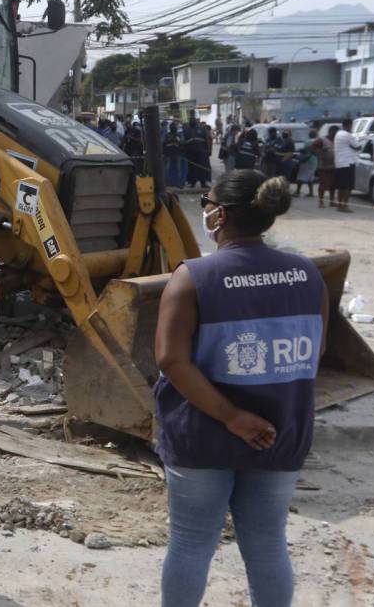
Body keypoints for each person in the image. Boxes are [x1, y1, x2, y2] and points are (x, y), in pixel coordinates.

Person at [154, 170, 327, 607]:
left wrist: (232, 417)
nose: (205, 212)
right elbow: (313, 351)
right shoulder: (307, 274)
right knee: (268, 542)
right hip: (278, 432)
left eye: (206, 204)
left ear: (220, 215)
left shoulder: (193, 277)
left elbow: (171, 360)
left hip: (203, 436)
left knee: (192, 542)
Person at [332, 118, 363, 213]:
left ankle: (340, 204)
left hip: (339, 163)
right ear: (349, 125)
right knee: (347, 187)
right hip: (347, 163)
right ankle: (345, 205)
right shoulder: (347, 135)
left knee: (341, 186)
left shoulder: (338, 134)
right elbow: (358, 146)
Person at [314, 126, 338, 208]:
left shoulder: (336, 140)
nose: (335, 135)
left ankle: (331, 201)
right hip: (323, 166)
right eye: (334, 133)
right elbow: (312, 148)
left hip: (334, 166)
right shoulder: (322, 140)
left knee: (333, 184)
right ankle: (321, 202)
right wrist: (320, 154)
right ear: (330, 132)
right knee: (323, 184)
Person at [184, 119, 210, 188]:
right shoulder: (186, 130)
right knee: (192, 168)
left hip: (201, 152)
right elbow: (184, 142)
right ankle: (193, 183)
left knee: (202, 167)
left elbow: (207, 139)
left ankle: (203, 183)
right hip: (191, 152)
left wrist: (208, 150)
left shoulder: (201, 129)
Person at [294, 129, 319, 197]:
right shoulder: (317, 141)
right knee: (310, 177)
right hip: (314, 160)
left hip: (307, 160)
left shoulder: (308, 141)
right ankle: (311, 192)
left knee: (301, 176)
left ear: (309, 135)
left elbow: (304, 150)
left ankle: (298, 191)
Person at [164, 122, 185, 188]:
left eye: (174, 127)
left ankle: (179, 183)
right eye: (172, 127)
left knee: (178, 169)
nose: (173, 128)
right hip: (169, 153)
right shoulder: (167, 135)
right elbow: (163, 143)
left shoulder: (179, 135)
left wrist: (176, 140)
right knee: (167, 169)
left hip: (177, 153)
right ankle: (166, 182)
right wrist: (169, 140)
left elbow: (182, 142)